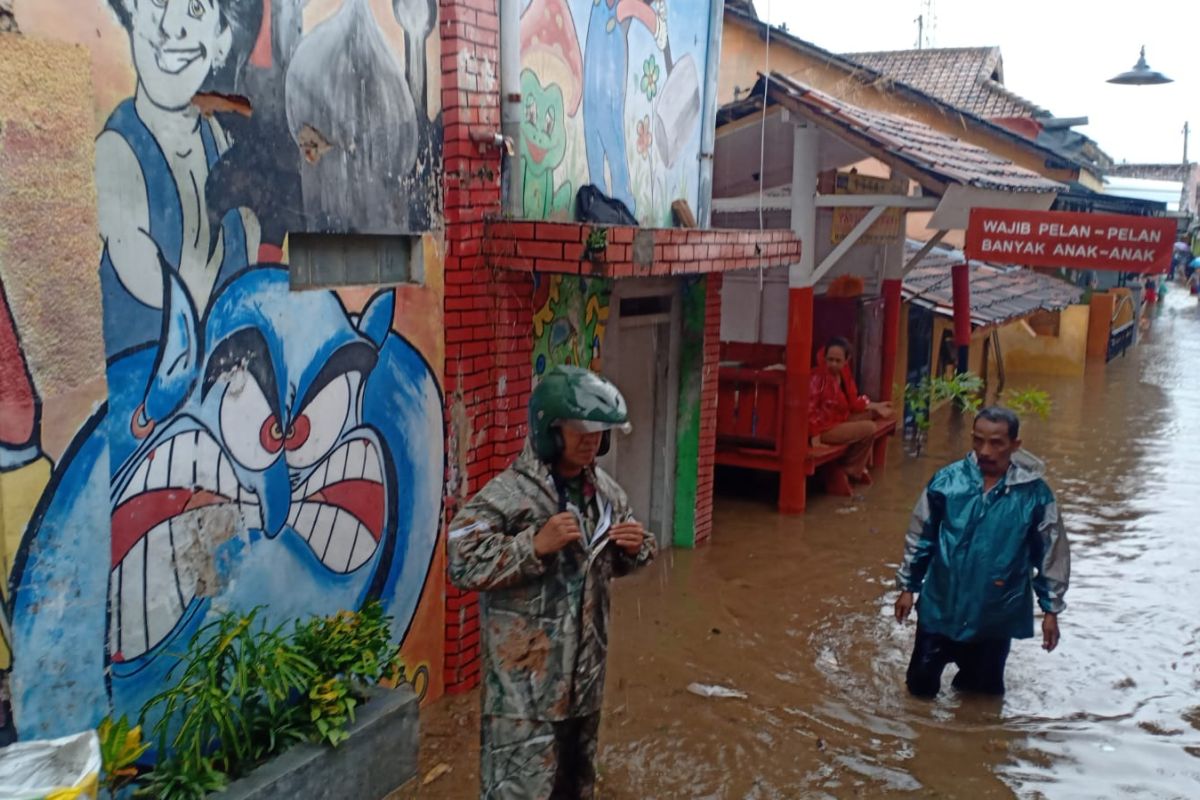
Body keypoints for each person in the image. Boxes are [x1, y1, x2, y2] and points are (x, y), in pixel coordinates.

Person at [448, 365, 656, 799]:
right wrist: (532, 546)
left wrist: (635, 549)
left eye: (599, 431)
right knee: (517, 791)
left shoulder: (606, 494)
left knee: (575, 787)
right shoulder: (510, 494)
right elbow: (460, 558)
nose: (592, 440)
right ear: (551, 429)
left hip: (584, 686)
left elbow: (618, 559)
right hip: (525, 695)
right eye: (580, 429)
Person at [894, 407, 1070, 698]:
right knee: (919, 688)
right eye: (978, 441)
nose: (985, 451)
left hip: (994, 614)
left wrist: (1051, 610)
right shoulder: (946, 482)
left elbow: (1052, 552)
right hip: (941, 605)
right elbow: (920, 536)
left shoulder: (1036, 495)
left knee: (981, 699)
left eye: (996, 443)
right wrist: (907, 587)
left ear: (1015, 445)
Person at [808, 337, 894, 495]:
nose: (833, 364)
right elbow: (810, 408)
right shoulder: (817, 377)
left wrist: (876, 406)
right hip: (826, 428)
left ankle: (852, 467)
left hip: (839, 419)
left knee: (870, 415)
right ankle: (848, 469)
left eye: (837, 360)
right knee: (869, 428)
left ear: (846, 360)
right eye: (830, 360)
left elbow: (854, 402)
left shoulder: (843, 375)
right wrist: (815, 436)